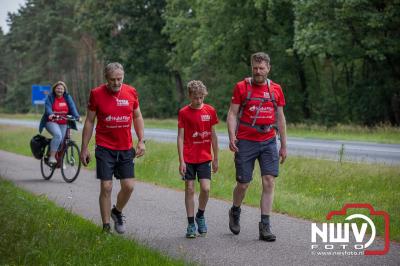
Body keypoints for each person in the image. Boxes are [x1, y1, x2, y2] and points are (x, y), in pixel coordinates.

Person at [226, 52, 287, 241]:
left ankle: (265, 226)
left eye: (261, 68)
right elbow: (232, 114)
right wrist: (231, 137)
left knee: (269, 180)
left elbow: (281, 117)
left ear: (268, 68)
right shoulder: (241, 87)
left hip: (269, 140)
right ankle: (235, 211)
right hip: (246, 141)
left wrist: (283, 145)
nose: (258, 71)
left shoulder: (276, 89)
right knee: (243, 184)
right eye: (255, 68)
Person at [80, 62, 145, 234]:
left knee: (129, 186)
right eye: (112, 80)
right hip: (104, 147)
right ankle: (106, 227)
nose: (116, 83)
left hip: (125, 147)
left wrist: (141, 140)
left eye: (119, 79)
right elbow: (89, 121)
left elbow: (137, 116)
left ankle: (117, 212)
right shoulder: (96, 94)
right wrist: (84, 147)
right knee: (106, 186)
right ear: (106, 79)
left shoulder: (131, 92)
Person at [177, 80, 219, 238]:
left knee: (206, 188)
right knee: (189, 189)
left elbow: (213, 136)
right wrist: (181, 160)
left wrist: (216, 158)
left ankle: (200, 215)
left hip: (204, 157)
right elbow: (180, 137)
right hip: (188, 158)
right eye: (195, 97)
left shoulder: (210, 111)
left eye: (201, 97)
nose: (199, 101)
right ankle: (190, 224)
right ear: (190, 96)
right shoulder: (183, 112)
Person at [39, 81, 80, 164]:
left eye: (62, 89)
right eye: (58, 88)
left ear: (64, 90)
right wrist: (51, 114)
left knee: (61, 140)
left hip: (63, 122)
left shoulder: (67, 97)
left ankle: (51, 150)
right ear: (54, 89)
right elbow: (48, 107)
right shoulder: (50, 97)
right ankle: (52, 157)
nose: (60, 90)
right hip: (51, 121)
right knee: (58, 135)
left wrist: (77, 117)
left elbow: (72, 107)